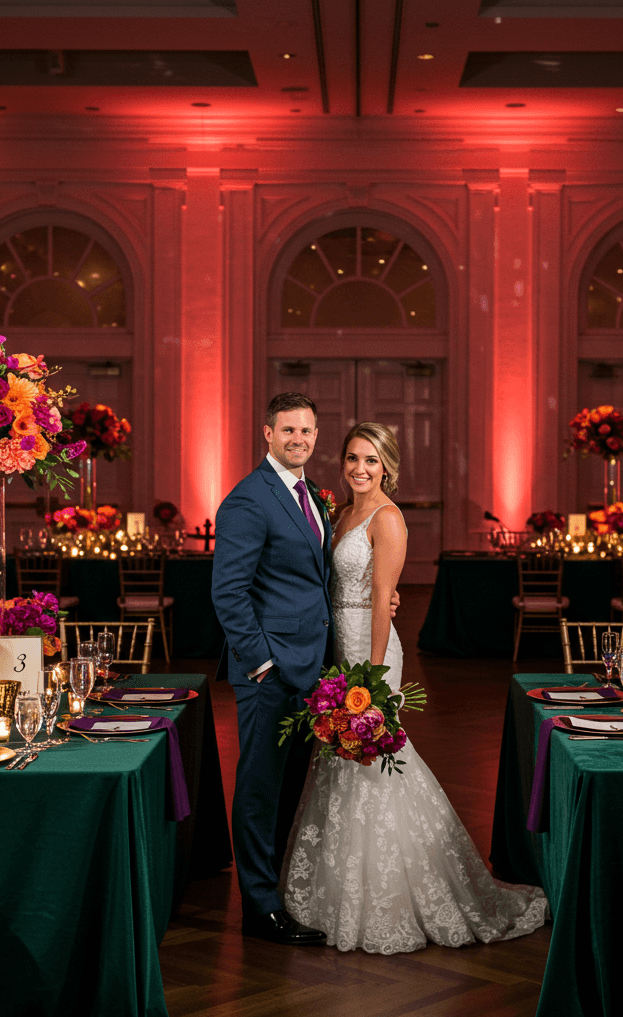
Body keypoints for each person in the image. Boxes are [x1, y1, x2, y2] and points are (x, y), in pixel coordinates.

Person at [280, 422, 548, 953]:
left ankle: (391, 896)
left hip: (369, 653)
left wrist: (374, 681)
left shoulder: (389, 518)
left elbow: (383, 599)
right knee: (336, 760)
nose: (360, 469)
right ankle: (334, 889)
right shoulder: (339, 514)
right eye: (353, 458)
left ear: (388, 467)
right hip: (336, 649)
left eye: (372, 461)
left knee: (376, 758)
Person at [211, 392, 332, 945]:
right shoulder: (248, 500)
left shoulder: (311, 498)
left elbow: (309, 577)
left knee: (286, 789)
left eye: (306, 431)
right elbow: (228, 592)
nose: (299, 440)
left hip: (309, 668)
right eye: (288, 431)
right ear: (267, 434)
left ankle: (280, 888)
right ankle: (259, 907)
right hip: (270, 671)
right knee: (260, 787)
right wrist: (260, 661)